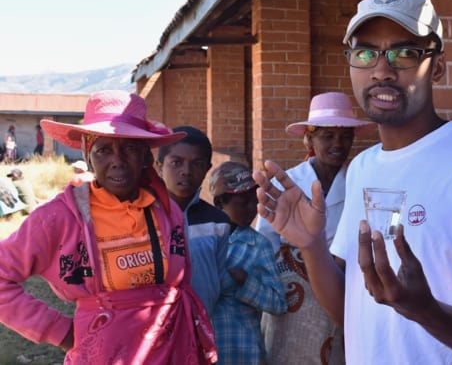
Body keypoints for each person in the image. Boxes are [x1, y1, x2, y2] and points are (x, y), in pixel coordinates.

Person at [252, 0, 452, 365]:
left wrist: (425, 310)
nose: (381, 71)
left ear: (437, 67)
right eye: (366, 53)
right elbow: (350, 313)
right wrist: (312, 245)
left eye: (404, 53)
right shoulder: (363, 168)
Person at [0, 90, 217, 364]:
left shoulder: (164, 208)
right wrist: (61, 331)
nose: (118, 160)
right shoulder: (59, 218)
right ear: (88, 156)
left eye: (129, 148)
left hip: (173, 351)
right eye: (104, 150)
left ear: (145, 157)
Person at [255, 91, 372, 365]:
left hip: (342, 293)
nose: (337, 144)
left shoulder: (360, 183)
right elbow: (265, 244)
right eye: (327, 136)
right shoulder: (289, 183)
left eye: (345, 136)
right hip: (294, 301)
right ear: (309, 138)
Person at [209, 161, 287, 364]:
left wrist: (245, 281)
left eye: (254, 200)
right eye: (244, 203)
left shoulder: (258, 245)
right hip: (206, 349)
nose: (253, 208)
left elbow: (278, 303)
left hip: (244, 352)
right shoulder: (202, 239)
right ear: (219, 203)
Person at [156, 125, 232, 318]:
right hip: (154, 331)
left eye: (197, 164)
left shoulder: (218, 223)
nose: (186, 171)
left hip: (203, 327)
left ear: (207, 169)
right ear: (159, 166)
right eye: (176, 163)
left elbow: (218, 277)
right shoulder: (144, 217)